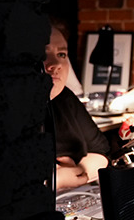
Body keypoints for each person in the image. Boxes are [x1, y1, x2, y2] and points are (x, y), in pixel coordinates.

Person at [44, 23, 110, 191]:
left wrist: (72, 175)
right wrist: (57, 180)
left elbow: (101, 152)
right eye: (41, 54)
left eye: (61, 54)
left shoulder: (64, 97)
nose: (56, 64)